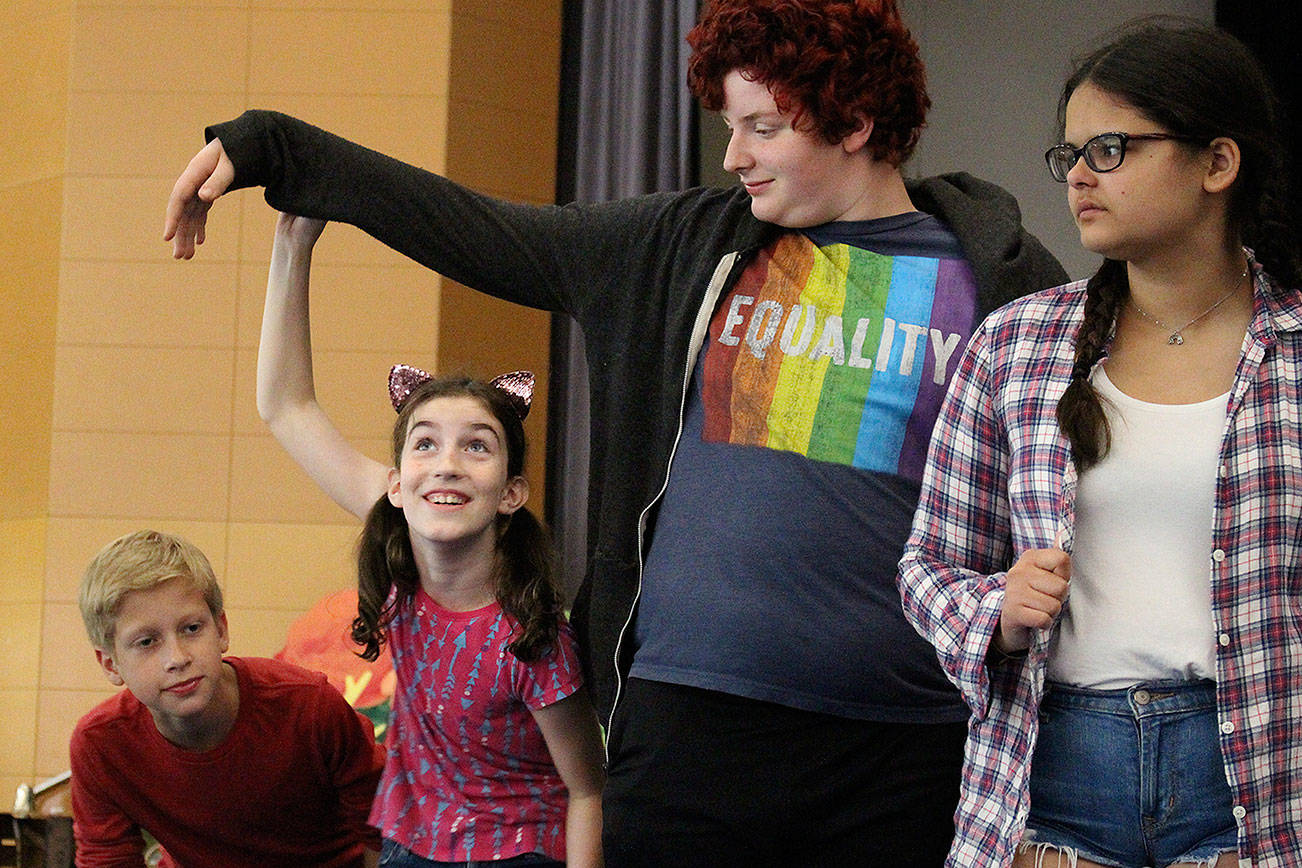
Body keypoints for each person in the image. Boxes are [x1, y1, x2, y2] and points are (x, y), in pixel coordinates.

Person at [166, 1, 1066, 863]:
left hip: (901, 750)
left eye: (763, 127)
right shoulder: (681, 247)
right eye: (729, 123)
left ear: (856, 120)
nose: (735, 154)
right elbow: (475, 229)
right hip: (688, 732)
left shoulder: (1001, 283)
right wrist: (277, 149)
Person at [897, 19, 1302, 868]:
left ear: (1217, 163)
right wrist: (994, 613)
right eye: (1071, 153)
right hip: (1051, 782)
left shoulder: (1294, 351)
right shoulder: (1017, 343)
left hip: (1260, 782)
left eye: (1111, 148)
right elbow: (928, 565)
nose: (1079, 175)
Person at [258, 210, 606, 868]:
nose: (446, 463)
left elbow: (588, 789)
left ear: (511, 492)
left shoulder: (533, 636)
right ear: (396, 483)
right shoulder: (400, 544)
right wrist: (292, 243)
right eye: (426, 445)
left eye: (477, 447)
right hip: (410, 846)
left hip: (519, 851)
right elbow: (286, 405)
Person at [70, 529, 385, 868]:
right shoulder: (100, 744)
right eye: (147, 642)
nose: (176, 658)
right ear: (110, 663)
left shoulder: (309, 706)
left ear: (221, 630)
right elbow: (107, 860)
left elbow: (386, 833)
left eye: (191, 629)